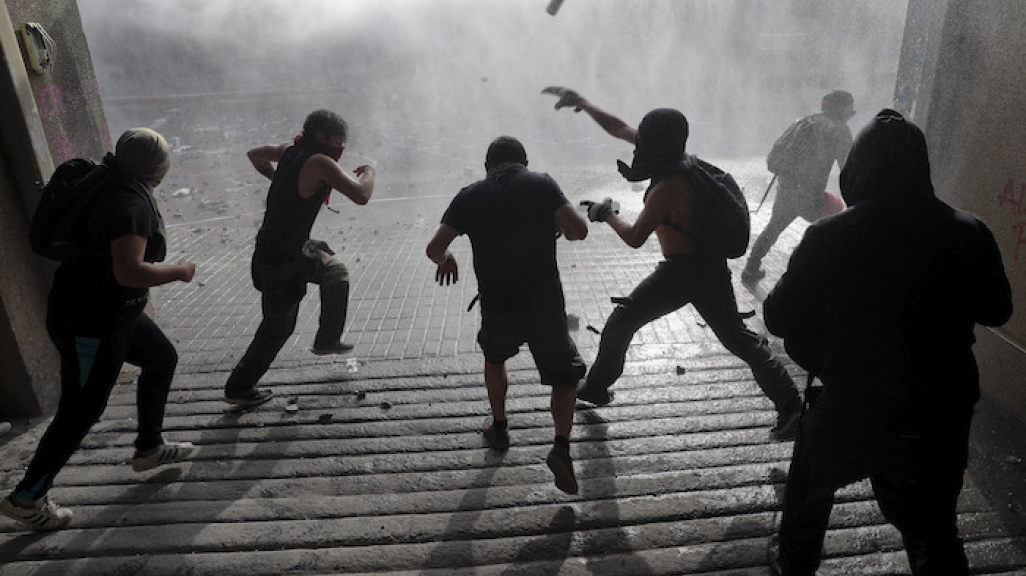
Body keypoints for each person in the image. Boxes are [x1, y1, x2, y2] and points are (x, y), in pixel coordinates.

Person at [763, 110, 1012, 575]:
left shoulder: (828, 236)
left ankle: (795, 564)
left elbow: (777, 317)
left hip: (850, 405)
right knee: (935, 530)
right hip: (939, 412)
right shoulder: (969, 230)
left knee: (806, 503)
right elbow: (998, 310)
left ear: (857, 168)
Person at [543, 87, 803, 441]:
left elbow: (635, 237)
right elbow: (618, 128)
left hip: (683, 271)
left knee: (623, 321)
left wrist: (606, 214)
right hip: (707, 267)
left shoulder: (670, 185)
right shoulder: (680, 160)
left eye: (642, 139)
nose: (635, 146)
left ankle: (595, 388)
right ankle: (790, 404)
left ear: (655, 143)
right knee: (737, 339)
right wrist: (584, 104)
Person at [0, 128, 197, 531]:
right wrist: (180, 271)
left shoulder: (105, 178)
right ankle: (27, 496)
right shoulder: (130, 205)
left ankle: (149, 447)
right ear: (157, 167)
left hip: (109, 311)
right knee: (80, 411)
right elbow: (130, 271)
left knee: (162, 358)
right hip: (91, 323)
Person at [426, 136, 589, 494]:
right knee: (564, 375)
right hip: (543, 304)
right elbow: (579, 230)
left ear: (488, 167)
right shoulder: (541, 184)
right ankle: (560, 446)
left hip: (498, 304)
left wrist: (446, 260)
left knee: (495, 356)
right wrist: (553, 223)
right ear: (523, 163)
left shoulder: (470, 195)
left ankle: (499, 427)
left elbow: (435, 249)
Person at [224, 109, 375, 407]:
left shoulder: (289, 151)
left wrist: (278, 178)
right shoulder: (319, 161)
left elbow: (254, 154)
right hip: (279, 258)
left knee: (336, 273)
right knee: (277, 328)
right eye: (338, 140)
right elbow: (361, 195)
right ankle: (238, 387)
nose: (340, 147)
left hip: (292, 248)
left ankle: (326, 340)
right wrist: (370, 170)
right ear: (320, 136)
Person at [742, 90, 856, 284]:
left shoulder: (803, 121)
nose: (852, 112)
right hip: (811, 195)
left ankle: (751, 268)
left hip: (787, 189)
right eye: (850, 107)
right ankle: (826, 273)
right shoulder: (839, 130)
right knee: (836, 222)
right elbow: (848, 167)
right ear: (842, 108)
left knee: (773, 228)